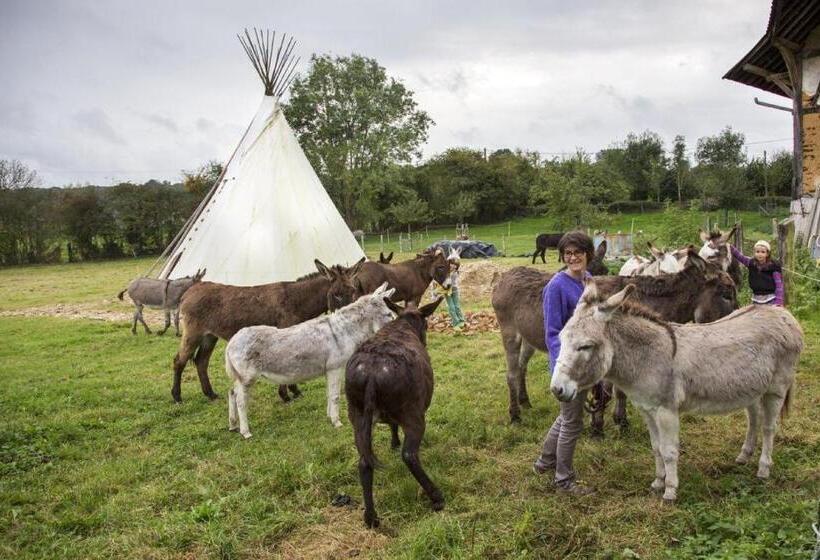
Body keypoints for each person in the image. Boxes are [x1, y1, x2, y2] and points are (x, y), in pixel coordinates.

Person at [532, 231, 595, 496]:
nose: (572, 258)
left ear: (588, 254)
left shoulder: (588, 280)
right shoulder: (557, 286)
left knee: (567, 416)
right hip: (568, 368)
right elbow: (552, 333)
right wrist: (567, 369)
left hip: (584, 365)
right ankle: (563, 480)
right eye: (567, 253)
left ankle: (544, 462)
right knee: (572, 422)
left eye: (578, 252)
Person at [730, 240, 783, 306]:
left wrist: (778, 302)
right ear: (754, 253)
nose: (760, 254)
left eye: (763, 252)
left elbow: (779, 284)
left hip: (770, 299)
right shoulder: (751, 263)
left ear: (767, 254)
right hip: (756, 299)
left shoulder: (773, 266)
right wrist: (729, 246)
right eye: (757, 252)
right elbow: (740, 257)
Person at [430, 247, 466, 329]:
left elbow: (450, 283)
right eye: (451, 264)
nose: (453, 266)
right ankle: (455, 323)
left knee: (457, 306)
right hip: (447, 291)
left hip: (454, 290)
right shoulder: (444, 272)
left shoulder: (455, 273)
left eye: (455, 265)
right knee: (451, 307)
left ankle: (461, 320)